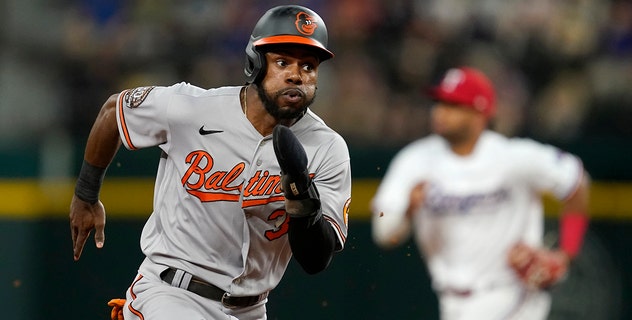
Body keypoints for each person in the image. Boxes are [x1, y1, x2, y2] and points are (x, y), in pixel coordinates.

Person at [69, 5, 351, 320]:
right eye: (282, 62)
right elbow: (113, 111)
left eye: (309, 66)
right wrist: (86, 193)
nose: (296, 75)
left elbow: (315, 260)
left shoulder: (327, 147)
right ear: (255, 63)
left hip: (251, 310)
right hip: (171, 294)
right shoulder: (192, 109)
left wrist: (302, 199)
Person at [370, 66, 590, 320]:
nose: (441, 112)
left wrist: (565, 255)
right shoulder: (414, 161)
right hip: (451, 301)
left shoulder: (511, 156)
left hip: (511, 295)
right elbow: (384, 235)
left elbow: (576, 180)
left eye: (454, 105)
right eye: (439, 102)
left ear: (480, 114)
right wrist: (407, 208)